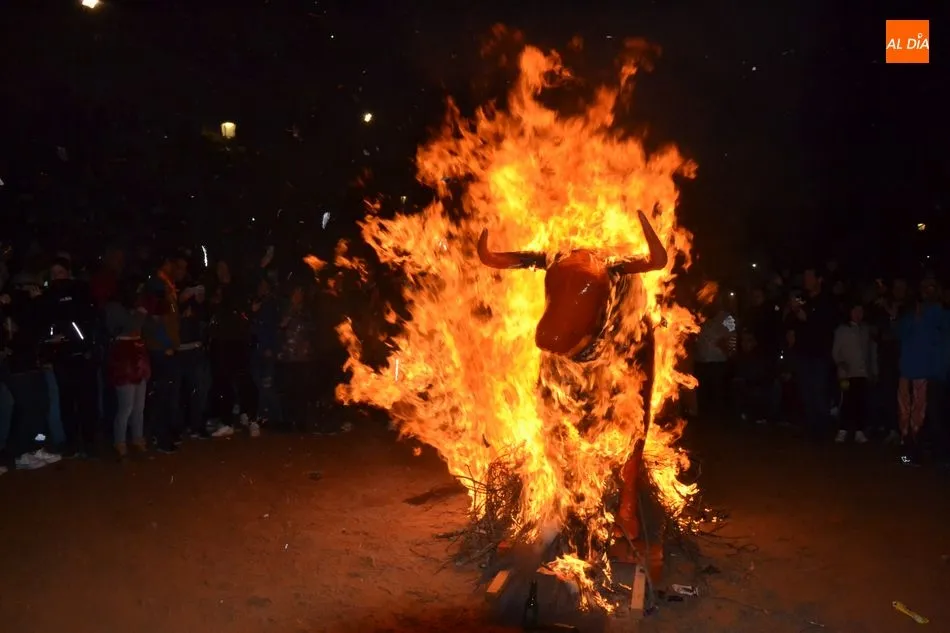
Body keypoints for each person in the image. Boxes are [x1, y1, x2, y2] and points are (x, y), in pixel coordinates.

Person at [40, 257, 100, 457]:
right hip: (61, 356)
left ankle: (90, 443)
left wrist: (88, 345)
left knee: (87, 401)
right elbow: (44, 324)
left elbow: (92, 319)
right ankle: (71, 442)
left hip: (83, 354)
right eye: (53, 273)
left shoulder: (81, 290)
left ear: (68, 272)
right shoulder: (48, 296)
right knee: (67, 401)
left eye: (60, 272)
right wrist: (51, 339)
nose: (57, 277)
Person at [896, 277, 949, 465]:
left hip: (927, 373)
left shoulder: (940, 315)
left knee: (921, 416)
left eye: (932, 287)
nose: (927, 290)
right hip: (910, 372)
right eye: (924, 287)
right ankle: (907, 454)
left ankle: (917, 453)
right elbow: (898, 333)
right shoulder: (909, 316)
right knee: (906, 414)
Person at [207, 259, 259, 437]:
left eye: (223, 267)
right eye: (218, 268)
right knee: (224, 382)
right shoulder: (214, 290)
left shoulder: (238, 289)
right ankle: (227, 421)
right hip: (221, 342)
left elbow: (246, 311)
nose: (221, 271)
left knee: (244, 380)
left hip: (238, 341)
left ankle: (252, 419)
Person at [785, 269, 836, 437]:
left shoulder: (826, 301)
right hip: (803, 353)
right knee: (806, 392)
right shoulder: (803, 300)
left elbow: (824, 324)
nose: (806, 280)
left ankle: (823, 429)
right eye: (804, 277)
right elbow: (792, 321)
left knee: (819, 391)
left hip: (819, 354)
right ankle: (812, 429)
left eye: (809, 277)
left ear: (819, 279)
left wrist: (804, 316)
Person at [141, 252, 182, 454]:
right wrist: (167, 343)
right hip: (160, 349)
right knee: (162, 395)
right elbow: (156, 319)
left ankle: (162, 434)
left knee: (166, 393)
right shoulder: (157, 285)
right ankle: (159, 437)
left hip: (165, 347)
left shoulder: (165, 284)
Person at [104, 281, 150, 458]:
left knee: (139, 405)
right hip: (124, 357)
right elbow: (127, 327)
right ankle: (120, 441)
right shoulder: (114, 307)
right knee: (126, 406)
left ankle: (137, 438)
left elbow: (136, 329)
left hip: (138, 354)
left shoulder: (135, 305)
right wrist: (139, 315)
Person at [831, 301, 875, 443]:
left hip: (862, 373)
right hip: (846, 374)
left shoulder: (866, 330)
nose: (858, 314)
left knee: (860, 402)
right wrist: (840, 363)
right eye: (855, 311)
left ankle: (859, 431)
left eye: (861, 311)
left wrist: (873, 370)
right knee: (846, 401)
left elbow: (871, 351)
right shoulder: (842, 330)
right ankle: (842, 430)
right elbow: (835, 351)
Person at [276, 285, 316, 431]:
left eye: (300, 293)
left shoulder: (306, 312)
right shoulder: (285, 309)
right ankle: (288, 421)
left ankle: (301, 422)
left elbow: (311, 330)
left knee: (301, 390)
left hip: (302, 357)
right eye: (296, 293)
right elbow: (281, 326)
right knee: (288, 390)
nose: (298, 296)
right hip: (288, 357)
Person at [250, 277, 281, 427]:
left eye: (264, 286)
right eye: (260, 285)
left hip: (267, 350)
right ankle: (264, 413)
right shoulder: (255, 304)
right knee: (258, 383)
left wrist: (271, 347)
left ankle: (272, 415)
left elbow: (273, 328)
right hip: (255, 351)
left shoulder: (272, 304)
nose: (262, 289)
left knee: (267, 384)